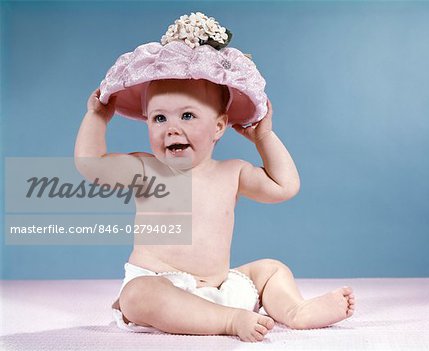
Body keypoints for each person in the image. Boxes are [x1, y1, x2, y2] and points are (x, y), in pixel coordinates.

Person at [74, 12, 355, 342]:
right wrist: (97, 118)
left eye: (188, 115)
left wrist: (264, 137)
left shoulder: (232, 172)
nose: (171, 128)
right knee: (137, 295)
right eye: (159, 117)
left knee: (271, 269)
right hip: (163, 286)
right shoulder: (146, 169)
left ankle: (295, 311)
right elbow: (91, 165)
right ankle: (229, 321)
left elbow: (285, 187)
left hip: (220, 286)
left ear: (220, 126)